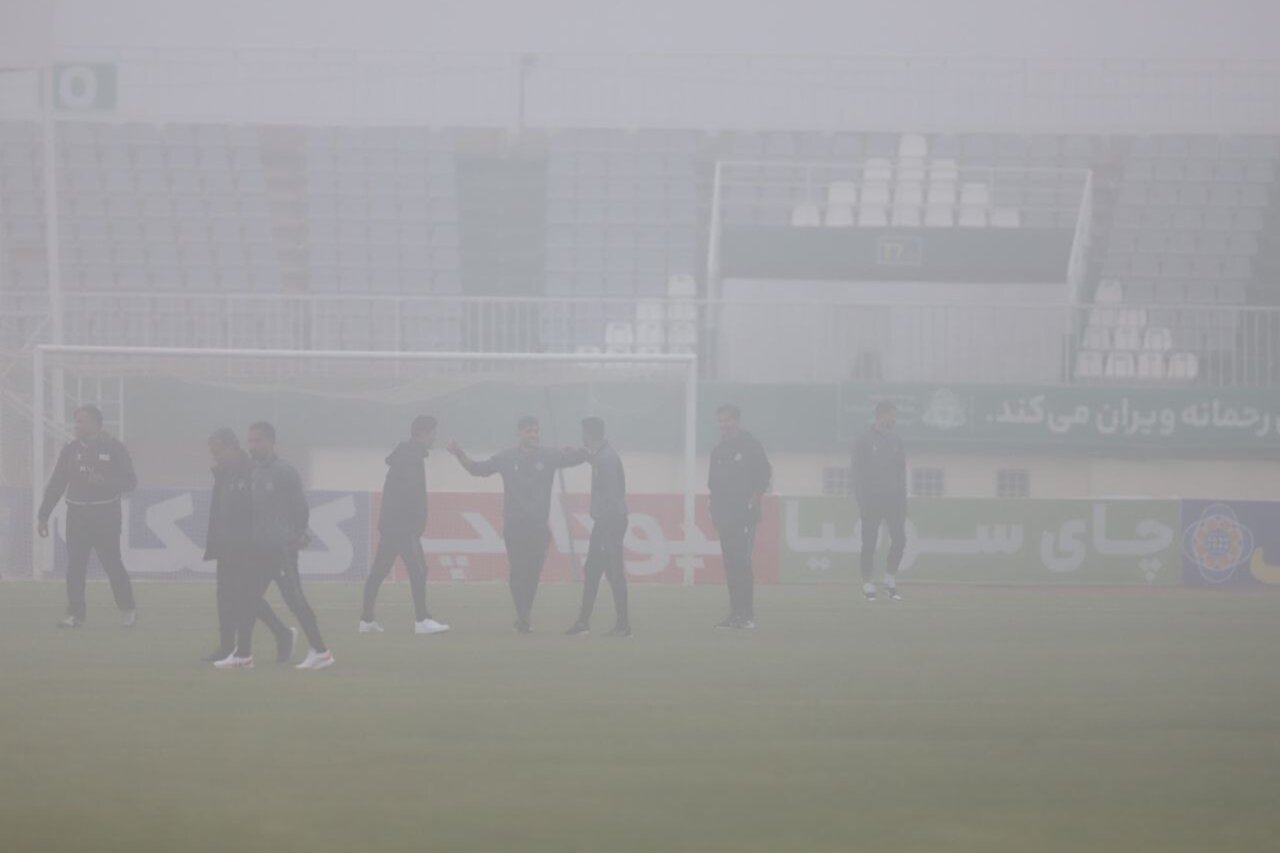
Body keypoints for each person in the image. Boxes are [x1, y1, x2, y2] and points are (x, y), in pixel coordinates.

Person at [447, 415, 580, 633]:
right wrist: (459, 454)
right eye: (529, 431)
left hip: (539, 526)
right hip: (515, 525)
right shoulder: (506, 457)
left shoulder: (549, 455)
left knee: (533, 573)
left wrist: (581, 450)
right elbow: (477, 469)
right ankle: (523, 615)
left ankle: (524, 614)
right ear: (519, 433)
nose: (534, 435)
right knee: (518, 571)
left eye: (536, 431)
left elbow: (577, 459)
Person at [220, 421, 334, 670]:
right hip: (258, 550)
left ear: (271, 442)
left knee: (295, 601)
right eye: (250, 441)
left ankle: (321, 652)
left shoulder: (284, 471)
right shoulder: (253, 472)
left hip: (281, 550)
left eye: (258, 440)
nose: (252, 445)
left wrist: (296, 535)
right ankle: (243, 655)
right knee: (246, 599)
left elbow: (300, 508)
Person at [37, 405, 138, 629]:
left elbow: (131, 481)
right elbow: (57, 483)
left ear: (95, 424)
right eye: (76, 421)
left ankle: (127, 609)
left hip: (105, 516)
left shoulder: (114, 448)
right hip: (77, 516)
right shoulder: (70, 450)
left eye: (81, 421)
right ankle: (76, 615)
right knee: (75, 566)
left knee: (112, 564)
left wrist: (105, 482)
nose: (77, 425)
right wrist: (43, 515)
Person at [202, 427, 296, 664]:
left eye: (218, 452)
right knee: (226, 596)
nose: (215, 458)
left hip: (249, 545)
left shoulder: (252, 470)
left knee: (246, 596)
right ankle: (227, 646)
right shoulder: (223, 473)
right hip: (226, 544)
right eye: (213, 454)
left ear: (233, 448)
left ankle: (273, 637)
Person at [360, 415, 450, 635]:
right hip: (402, 526)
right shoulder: (410, 458)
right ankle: (422, 620)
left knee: (379, 571)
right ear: (421, 433)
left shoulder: (405, 455)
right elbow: (411, 494)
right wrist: (415, 523)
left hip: (392, 524)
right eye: (432, 433)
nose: (434, 437)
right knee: (418, 570)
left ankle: (366, 620)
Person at [564, 417, 630, 638]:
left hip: (609, 522)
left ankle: (622, 626)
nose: (581, 436)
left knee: (612, 572)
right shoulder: (603, 455)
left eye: (583, 432)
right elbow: (595, 460)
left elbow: (612, 494)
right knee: (595, 570)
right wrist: (582, 454)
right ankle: (586, 622)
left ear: (589, 433)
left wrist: (605, 527)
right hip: (607, 521)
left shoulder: (607, 459)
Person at [707, 403, 771, 630]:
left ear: (737, 421)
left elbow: (765, 475)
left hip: (745, 516)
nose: (724, 424)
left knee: (742, 564)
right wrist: (714, 511)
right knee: (730, 566)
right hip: (725, 517)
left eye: (727, 420)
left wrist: (755, 497)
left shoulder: (751, 445)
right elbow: (712, 484)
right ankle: (734, 614)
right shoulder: (718, 451)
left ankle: (747, 616)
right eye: (721, 420)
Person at [852, 399, 907, 602]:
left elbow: (901, 471)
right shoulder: (864, 439)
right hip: (871, 500)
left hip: (894, 499)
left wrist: (903, 498)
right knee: (869, 543)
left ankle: (890, 580)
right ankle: (867, 583)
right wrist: (861, 500)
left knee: (900, 539)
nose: (894, 419)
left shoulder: (896, 440)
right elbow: (857, 472)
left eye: (895, 416)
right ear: (880, 416)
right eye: (891, 415)